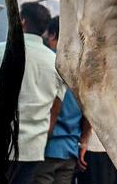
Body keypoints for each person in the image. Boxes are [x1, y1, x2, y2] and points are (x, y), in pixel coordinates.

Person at [0, 1, 63, 184]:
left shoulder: (4, 50)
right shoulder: (56, 63)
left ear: (21, 21)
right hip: (32, 150)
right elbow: (56, 109)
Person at [36, 17, 85, 184]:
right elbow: (89, 113)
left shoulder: (49, 63)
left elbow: (51, 109)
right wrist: (83, 143)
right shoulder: (81, 70)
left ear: (52, 35)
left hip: (47, 148)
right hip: (70, 151)